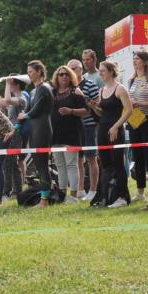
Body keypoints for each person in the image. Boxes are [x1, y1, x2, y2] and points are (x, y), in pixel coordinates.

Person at [89, 61, 132, 208]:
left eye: (103, 71)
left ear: (111, 72)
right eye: (100, 71)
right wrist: (94, 107)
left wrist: (116, 126)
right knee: (105, 163)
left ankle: (122, 196)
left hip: (115, 129)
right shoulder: (102, 90)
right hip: (103, 129)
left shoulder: (120, 89)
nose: (100, 73)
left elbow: (128, 110)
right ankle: (107, 194)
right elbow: (102, 113)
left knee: (117, 163)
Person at [126, 50, 148, 202]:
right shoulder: (131, 80)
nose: (135, 61)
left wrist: (141, 103)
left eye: (137, 59)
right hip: (135, 119)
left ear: (145, 61)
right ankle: (140, 191)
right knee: (137, 155)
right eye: (133, 59)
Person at [20, 61, 54, 208]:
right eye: (28, 72)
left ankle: (45, 200)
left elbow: (36, 110)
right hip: (34, 130)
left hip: (43, 129)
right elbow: (26, 110)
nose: (29, 74)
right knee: (39, 165)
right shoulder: (33, 91)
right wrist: (13, 128)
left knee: (42, 165)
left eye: (31, 71)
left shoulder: (44, 88)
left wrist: (25, 116)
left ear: (40, 72)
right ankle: (43, 198)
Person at [51, 64, 86, 202]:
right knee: (60, 165)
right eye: (61, 74)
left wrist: (71, 111)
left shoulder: (75, 91)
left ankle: (73, 195)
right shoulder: (52, 93)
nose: (64, 76)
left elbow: (86, 111)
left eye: (66, 74)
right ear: (57, 77)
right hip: (56, 134)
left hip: (72, 133)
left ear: (71, 76)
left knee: (71, 164)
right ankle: (62, 193)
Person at [69, 59, 100, 202]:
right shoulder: (67, 87)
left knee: (91, 158)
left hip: (89, 126)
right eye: (69, 69)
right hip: (74, 128)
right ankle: (80, 189)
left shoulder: (90, 85)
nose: (71, 72)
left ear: (81, 70)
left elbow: (98, 108)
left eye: (75, 68)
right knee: (78, 160)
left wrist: (83, 98)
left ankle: (93, 190)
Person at [0, 76, 30, 199]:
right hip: (10, 133)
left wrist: (6, 82)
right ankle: (17, 190)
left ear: (17, 85)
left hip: (16, 134)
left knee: (9, 163)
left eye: (11, 84)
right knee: (11, 163)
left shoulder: (21, 99)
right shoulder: (14, 99)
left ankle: (8, 191)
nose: (9, 86)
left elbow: (6, 99)